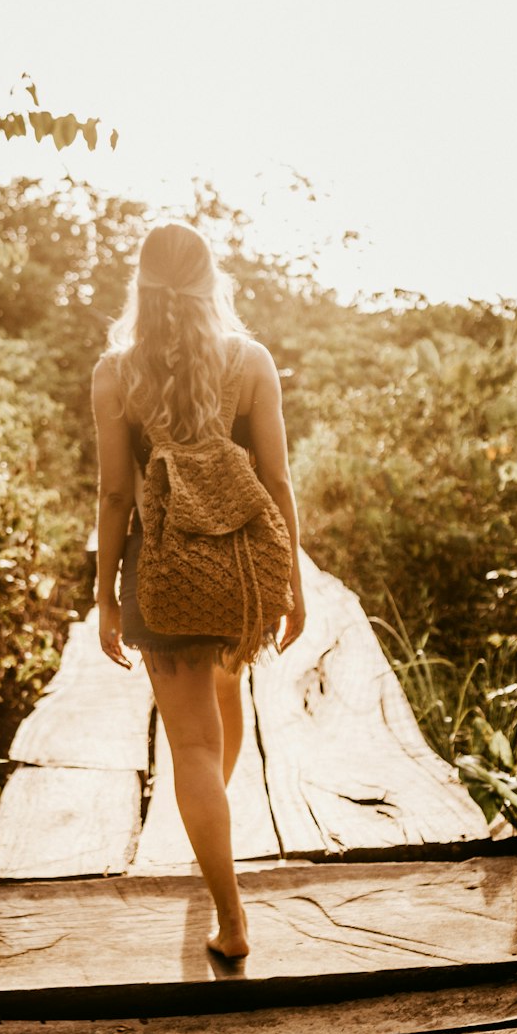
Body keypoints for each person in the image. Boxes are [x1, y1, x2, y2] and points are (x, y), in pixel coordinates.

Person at [91, 222, 305, 959]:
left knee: (191, 745)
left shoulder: (116, 374)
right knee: (224, 709)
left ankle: (230, 917)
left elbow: (115, 495)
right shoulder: (250, 361)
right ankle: (213, 832)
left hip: (162, 579)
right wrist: (294, 585)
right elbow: (277, 481)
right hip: (240, 578)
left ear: (140, 283)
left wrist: (105, 597)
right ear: (213, 279)